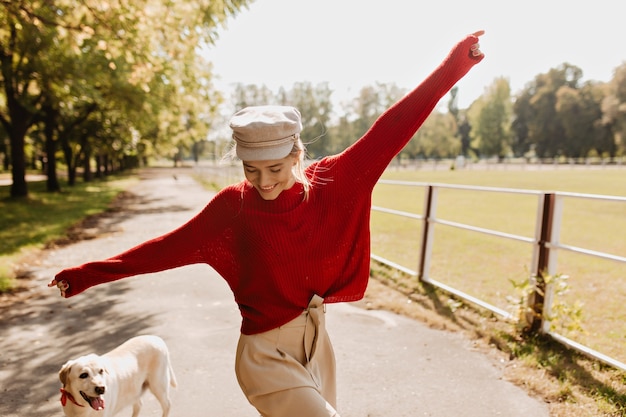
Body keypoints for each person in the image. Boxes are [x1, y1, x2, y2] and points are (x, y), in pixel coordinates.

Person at [50, 30, 485, 417]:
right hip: (262, 353)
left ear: (297, 155)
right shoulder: (233, 207)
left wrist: (455, 65)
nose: (264, 182)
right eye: (251, 170)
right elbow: (167, 248)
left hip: (316, 342)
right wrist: (87, 274)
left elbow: (394, 127)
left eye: (275, 168)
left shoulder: (338, 178)